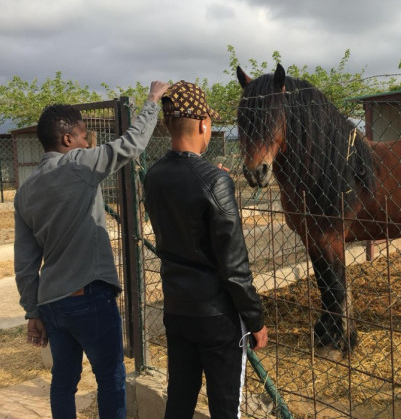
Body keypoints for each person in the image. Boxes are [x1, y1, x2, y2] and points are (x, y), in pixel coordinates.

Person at [14, 81, 170, 419]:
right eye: (85, 136)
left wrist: (32, 312)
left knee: (64, 381)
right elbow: (132, 144)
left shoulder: (24, 192)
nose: (89, 142)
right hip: (89, 297)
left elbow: (25, 264)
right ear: (68, 140)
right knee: (111, 378)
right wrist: (152, 100)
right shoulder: (80, 165)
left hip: (52, 304)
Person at [143, 80, 268, 419]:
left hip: (177, 309)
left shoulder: (153, 176)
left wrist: (216, 182)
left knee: (180, 400)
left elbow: (185, 207)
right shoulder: (214, 181)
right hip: (217, 318)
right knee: (225, 407)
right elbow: (234, 265)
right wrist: (255, 318)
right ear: (203, 124)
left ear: (168, 125)